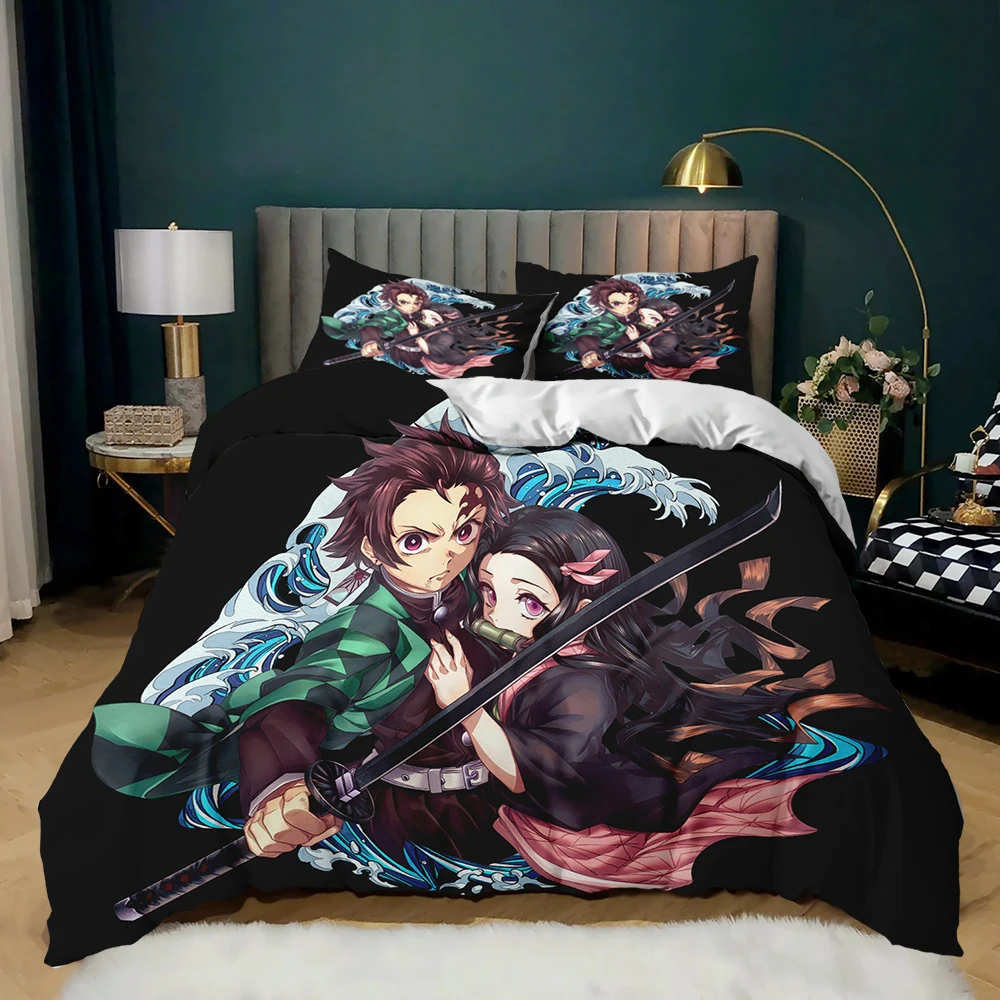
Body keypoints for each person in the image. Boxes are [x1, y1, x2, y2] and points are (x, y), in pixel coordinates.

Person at [91, 415, 514, 864]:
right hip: (414, 813)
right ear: (372, 548)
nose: (447, 555)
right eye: (415, 541)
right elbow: (296, 703)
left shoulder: (473, 580)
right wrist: (281, 788)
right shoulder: (369, 630)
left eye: (463, 532)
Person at [424, 506, 883, 890]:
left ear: (581, 609)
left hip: (584, 839)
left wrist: (464, 708)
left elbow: (534, 776)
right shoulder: (533, 656)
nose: (496, 615)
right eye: (490, 592)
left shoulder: (580, 685)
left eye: (528, 602)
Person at [323, 281, 514, 376]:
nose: (412, 307)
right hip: (405, 354)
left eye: (416, 302)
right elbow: (373, 328)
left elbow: (450, 315)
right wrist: (370, 344)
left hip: (427, 350)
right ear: (393, 302)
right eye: (405, 303)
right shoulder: (390, 317)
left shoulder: (427, 310)